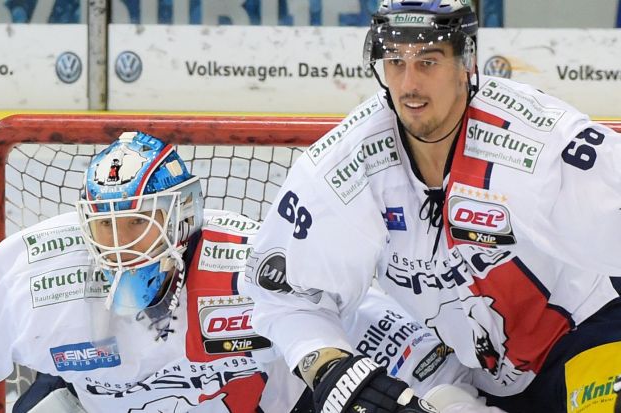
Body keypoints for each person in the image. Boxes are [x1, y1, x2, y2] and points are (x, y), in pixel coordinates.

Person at [0, 131, 477, 413]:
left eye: (138, 222)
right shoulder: (44, 270)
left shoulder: (250, 265)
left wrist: (446, 394)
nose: (117, 244)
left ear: (180, 220)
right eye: (106, 223)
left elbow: (378, 336)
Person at [240, 1, 621, 413]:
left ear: (466, 62)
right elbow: (285, 297)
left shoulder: (537, 142)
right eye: (395, 61)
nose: (408, 85)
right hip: (478, 376)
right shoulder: (349, 164)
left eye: (427, 61)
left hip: (586, 334)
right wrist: (334, 373)